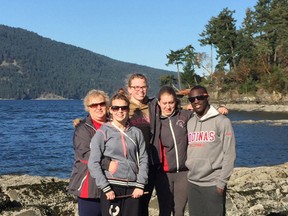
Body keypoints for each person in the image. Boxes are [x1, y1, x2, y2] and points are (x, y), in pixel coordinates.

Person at [88, 93, 149, 216]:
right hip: (111, 187)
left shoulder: (136, 133)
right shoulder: (102, 133)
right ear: (110, 110)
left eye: (124, 108)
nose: (120, 111)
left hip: (133, 187)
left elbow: (143, 159)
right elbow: (93, 162)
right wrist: (105, 187)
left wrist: (140, 184)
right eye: (116, 108)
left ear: (128, 109)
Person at [186, 85, 236, 216]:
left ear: (207, 97)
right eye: (192, 99)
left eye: (199, 97)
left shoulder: (222, 121)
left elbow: (230, 154)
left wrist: (221, 182)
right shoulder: (190, 122)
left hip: (213, 183)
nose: (196, 101)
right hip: (192, 182)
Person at [68, 89, 109, 216]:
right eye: (94, 105)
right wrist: (110, 164)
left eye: (101, 104)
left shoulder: (115, 124)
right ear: (88, 108)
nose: (98, 108)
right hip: (89, 186)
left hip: (112, 184)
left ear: (107, 105)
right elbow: (86, 155)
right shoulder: (82, 129)